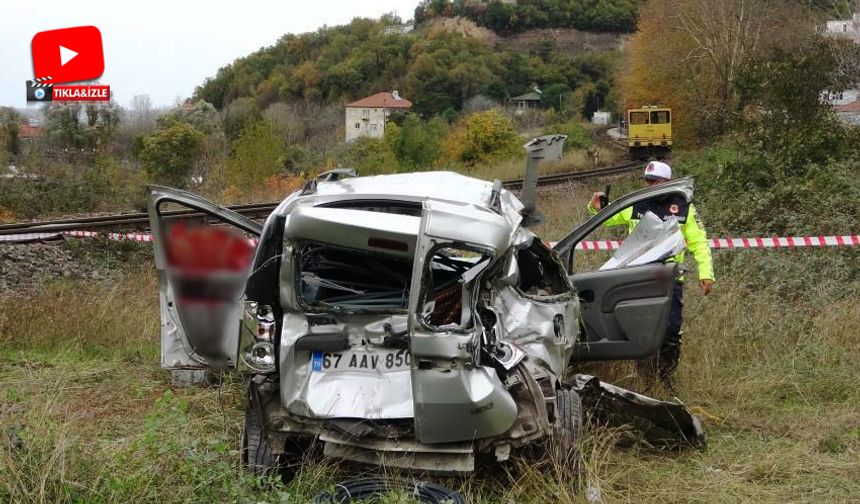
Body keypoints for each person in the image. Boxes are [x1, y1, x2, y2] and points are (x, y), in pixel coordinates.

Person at [588, 160, 714, 383]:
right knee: (639, 328)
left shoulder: (684, 207)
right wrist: (596, 206)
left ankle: (665, 378)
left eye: (654, 181)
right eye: (646, 181)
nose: (648, 185)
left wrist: (706, 274)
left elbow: (699, 242)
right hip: (638, 277)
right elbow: (606, 218)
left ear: (667, 182)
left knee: (671, 331)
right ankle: (646, 376)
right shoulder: (635, 203)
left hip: (669, 278)